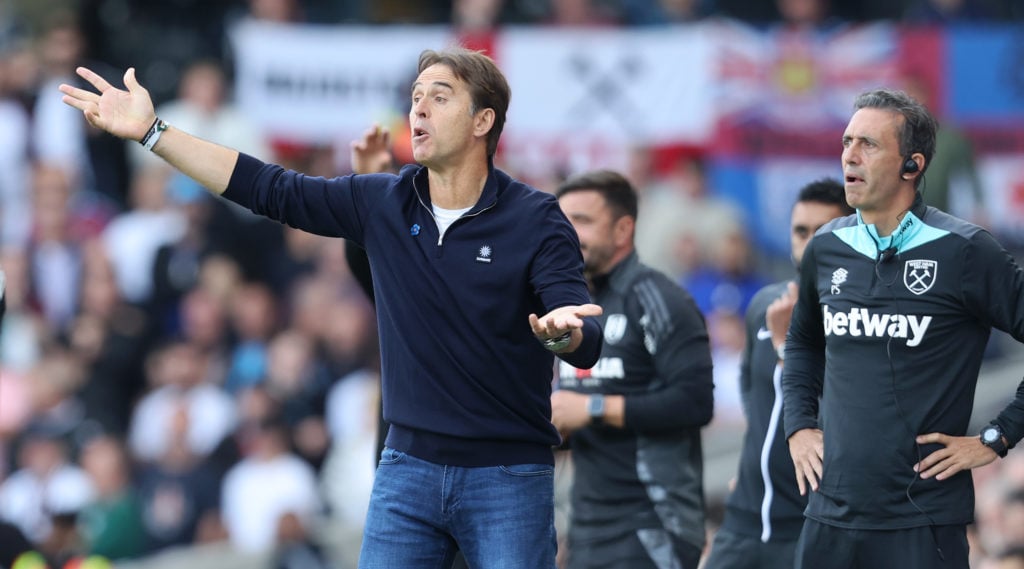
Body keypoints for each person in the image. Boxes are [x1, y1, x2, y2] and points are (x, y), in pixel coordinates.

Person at [60, 46, 604, 569]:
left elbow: (583, 337)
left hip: (506, 474)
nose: (418, 107)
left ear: (483, 121)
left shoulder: (537, 217)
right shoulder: (381, 200)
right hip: (406, 470)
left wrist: (560, 336)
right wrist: (155, 134)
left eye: (439, 97)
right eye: (415, 95)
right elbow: (266, 187)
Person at [783, 87, 1024, 569]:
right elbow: (804, 341)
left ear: (912, 166)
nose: (850, 155)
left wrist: (997, 437)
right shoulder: (826, 246)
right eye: (847, 141)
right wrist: (799, 426)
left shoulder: (967, 251)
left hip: (921, 520)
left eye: (868, 144)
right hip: (829, 515)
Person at [551, 170, 713, 569]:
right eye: (562, 222)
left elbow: (695, 402)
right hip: (587, 527)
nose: (568, 233)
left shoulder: (660, 299)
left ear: (624, 229)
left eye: (582, 221)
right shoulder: (571, 307)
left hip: (653, 525)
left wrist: (592, 409)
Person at [703, 178, 853, 569]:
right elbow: (753, 394)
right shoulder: (763, 305)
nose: (808, 242)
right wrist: (753, 466)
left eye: (822, 231)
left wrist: (789, 348)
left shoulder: (857, 322)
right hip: (742, 522)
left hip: (808, 530)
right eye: (800, 231)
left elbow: (844, 414)